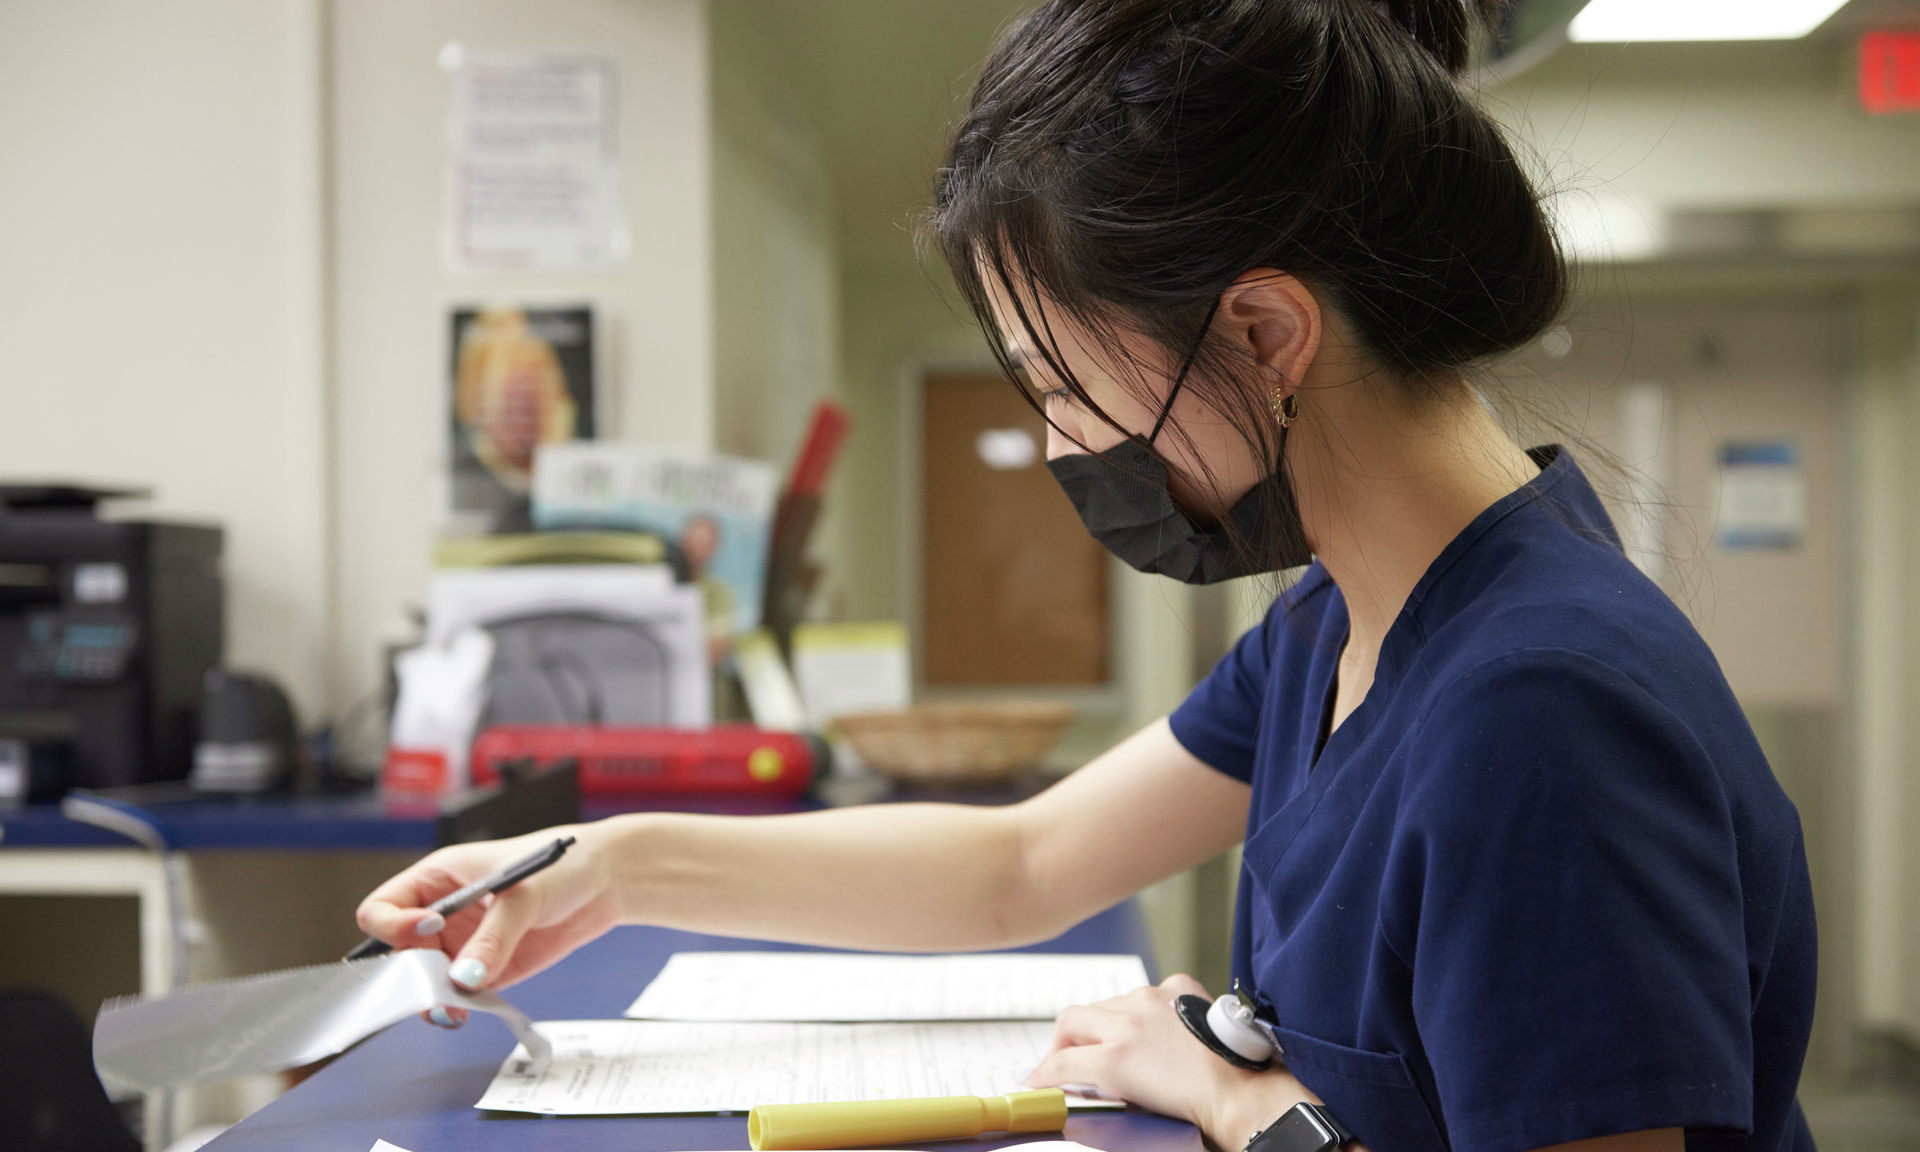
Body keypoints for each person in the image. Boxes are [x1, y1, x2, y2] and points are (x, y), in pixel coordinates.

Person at [358, 4, 1816, 1152]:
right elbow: (1023, 865)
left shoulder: (1539, 714)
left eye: (1063, 377)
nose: (1061, 439)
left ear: (1262, 332)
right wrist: (616, 866)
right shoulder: (1339, 629)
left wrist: (1247, 1107)